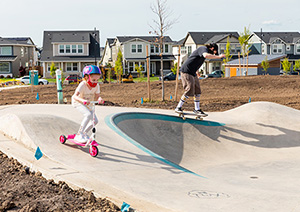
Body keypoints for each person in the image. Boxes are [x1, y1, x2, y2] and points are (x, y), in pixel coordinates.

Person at [175, 43, 225, 116]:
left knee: (197, 91)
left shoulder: (203, 53)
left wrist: (197, 71)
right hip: (186, 71)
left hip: (193, 72)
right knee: (189, 89)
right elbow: (206, 55)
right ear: (212, 48)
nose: (212, 54)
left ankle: (197, 109)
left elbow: (195, 62)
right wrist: (218, 57)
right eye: (213, 52)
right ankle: (178, 107)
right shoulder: (203, 49)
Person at [72, 65, 104, 144]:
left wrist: (100, 99)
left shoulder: (97, 86)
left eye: (97, 80)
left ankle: (83, 133)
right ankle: (79, 134)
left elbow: (97, 97)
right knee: (88, 114)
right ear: (86, 77)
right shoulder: (83, 85)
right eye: (93, 80)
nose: (95, 82)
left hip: (88, 104)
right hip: (78, 102)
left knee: (95, 121)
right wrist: (82, 100)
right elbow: (75, 96)